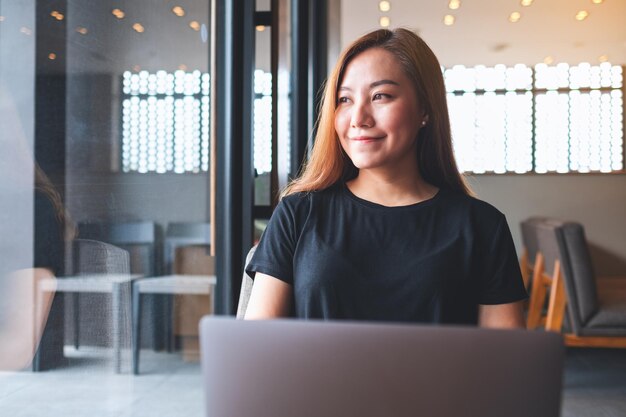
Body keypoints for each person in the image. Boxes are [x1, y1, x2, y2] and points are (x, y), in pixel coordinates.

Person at [244, 28, 527, 328]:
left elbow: (505, 368)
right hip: (319, 378)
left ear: (425, 110)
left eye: (380, 96)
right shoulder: (297, 215)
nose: (358, 119)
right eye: (345, 99)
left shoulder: (482, 227)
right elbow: (255, 354)